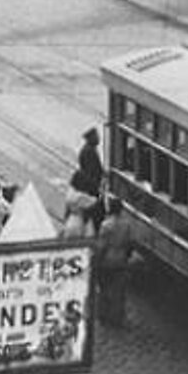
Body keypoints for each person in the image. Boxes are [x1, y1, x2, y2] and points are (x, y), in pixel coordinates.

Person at [94, 199, 137, 328]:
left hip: (107, 261)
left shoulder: (106, 225)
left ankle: (103, 315)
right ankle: (117, 317)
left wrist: (97, 261)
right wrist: (126, 257)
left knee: (104, 288)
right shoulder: (127, 225)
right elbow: (130, 243)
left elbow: (102, 246)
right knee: (119, 291)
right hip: (121, 259)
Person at [77, 128, 105, 231]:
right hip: (91, 188)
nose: (99, 138)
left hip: (90, 187)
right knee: (93, 211)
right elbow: (92, 171)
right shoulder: (89, 152)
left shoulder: (89, 149)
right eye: (96, 136)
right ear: (91, 138)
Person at [62, 169, 99, 239]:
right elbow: (94, 202)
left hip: (71, 219)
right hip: (78, 220)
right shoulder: (80, 197)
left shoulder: (70, 192)